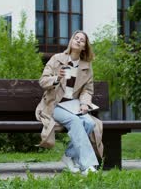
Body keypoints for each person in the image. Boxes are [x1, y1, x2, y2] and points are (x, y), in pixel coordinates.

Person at [35, 30, 103, 175]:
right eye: (76, 38)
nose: (78, 41)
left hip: (74, 105)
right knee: (75, 121)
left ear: (84, 46)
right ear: (71, 41)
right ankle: (88, 166)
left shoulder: (86, 65)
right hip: (55, 104)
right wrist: (57, 78)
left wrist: (85, 103)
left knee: (90, 123)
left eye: (82, 40)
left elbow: (87, 90)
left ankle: (68, 155)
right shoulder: (57, 59)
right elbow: (43, 81)